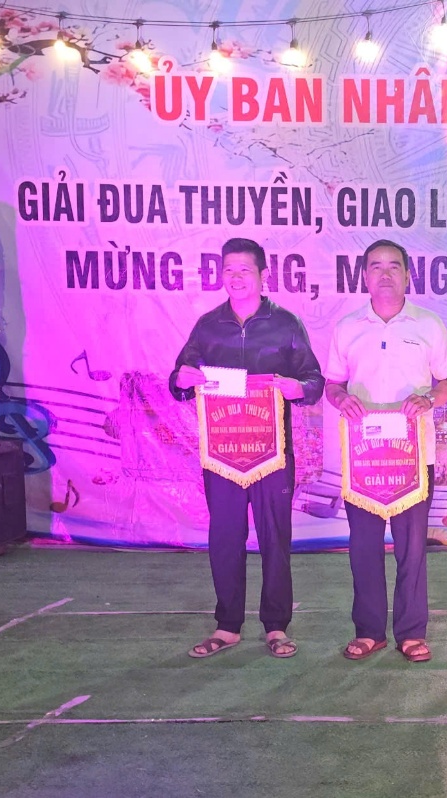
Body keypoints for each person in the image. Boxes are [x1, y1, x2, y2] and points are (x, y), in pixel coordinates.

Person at [169, 237, 324, 659]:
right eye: (229, 270)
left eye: (244, 270)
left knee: (275, 539)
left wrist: (297, 388)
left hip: (272, 453)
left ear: (263, 275)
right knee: (224, 538)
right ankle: (227, 626)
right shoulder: (207, 326)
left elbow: (314, 381)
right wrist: (181, 380)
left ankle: (276, 626)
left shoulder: (286, 324)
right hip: (221, 454)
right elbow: (178, 379)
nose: (235, 277)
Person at [323, 239, 447, 663]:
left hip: (413, 457)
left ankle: (411, 633)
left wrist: (428, 399)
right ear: (364, 276)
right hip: (363, 459)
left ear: (407, 275)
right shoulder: (347, 327)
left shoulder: (429, 325)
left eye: (393, 266)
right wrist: (341, 399)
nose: (384, 274)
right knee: (364, 547)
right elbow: (332, 384)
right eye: (375, 266)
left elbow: (445, 384)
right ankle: (369, 631)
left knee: (412, 549)